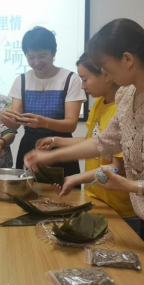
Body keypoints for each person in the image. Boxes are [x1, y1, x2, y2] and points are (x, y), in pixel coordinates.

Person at [25, 19, 144, 280]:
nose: (104, 73)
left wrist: (132, 185)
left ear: (127, 59)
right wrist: (51, 155)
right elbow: (102, 143)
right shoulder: (127, 95)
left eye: (104, 65)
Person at [36, 53, 137, 222]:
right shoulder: (99, 103)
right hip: (95, 198)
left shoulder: (123, 110)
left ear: (106, 75)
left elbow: (117, 167)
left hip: (119, 207)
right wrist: (55, 141)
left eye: (84, 79)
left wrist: (76, 178)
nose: (82, 86)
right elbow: (93, 141)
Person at [0, 26, 86, 178]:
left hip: (61, 147)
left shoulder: (70, 79)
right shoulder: (22, 80)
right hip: (29, 147)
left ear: (53, 52)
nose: (37, 62)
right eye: (31, 57)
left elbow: (71, 125)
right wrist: (6, 119)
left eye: (42, 56)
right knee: (26, 189)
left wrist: (44, 122)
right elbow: (15, 124)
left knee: (65, 191)